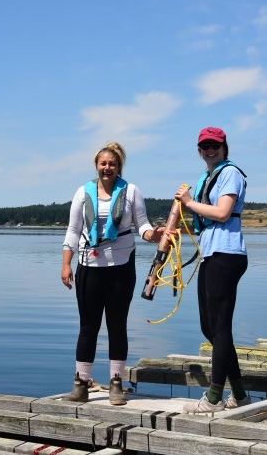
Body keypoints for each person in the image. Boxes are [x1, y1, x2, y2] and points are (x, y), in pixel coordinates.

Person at [61, 142, 164, 406]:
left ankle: (116, 383)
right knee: (88, 327)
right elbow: (73, 231)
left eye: (112, 164)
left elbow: (142, 225)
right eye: (103, 163)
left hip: (121, 269)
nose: (107, 168)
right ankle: (81, 384)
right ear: (97, 166)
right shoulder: (83, 193)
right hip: (89, 268)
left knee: (117, 326)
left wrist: (154, 236)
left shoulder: (131, 191)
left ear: (119, 166)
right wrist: (66, 264)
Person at [174, 127, 250, 414]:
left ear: (224, 147)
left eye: (214, 145)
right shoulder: (206, 176)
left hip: (227, 253)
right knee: (210, 327)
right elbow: (200, 221)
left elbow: (222, 212)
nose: (210, 150)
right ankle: (240, 394)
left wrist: (190, 202)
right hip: (211, 254)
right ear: (199, 150)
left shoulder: (230, 173)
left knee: (220, 327)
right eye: (204, 146)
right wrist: (169, 230)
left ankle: (214, 398)